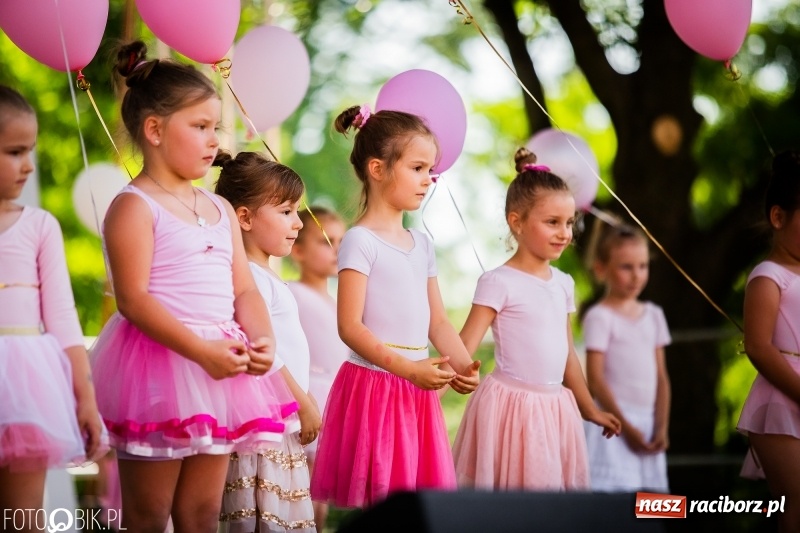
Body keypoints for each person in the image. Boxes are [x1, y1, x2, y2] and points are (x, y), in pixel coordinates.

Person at [90, 42, 298, 533]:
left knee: (202, 513)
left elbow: (243, 290)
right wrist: (201, 352)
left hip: (222, 368)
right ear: (155, 130)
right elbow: (134, 300)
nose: (212, 139)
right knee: (148, 514)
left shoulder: (220, 209)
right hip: (161, 367)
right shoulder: (135, 207)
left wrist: (263, 339)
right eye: (200, 126)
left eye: (215, 127)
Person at [309, 105, 481, 508]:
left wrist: (462, 365)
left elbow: (437, 321)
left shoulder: (421, 244)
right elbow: (350, 326)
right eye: (418, 168)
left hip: (416, 389)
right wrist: (407, 370)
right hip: (376, 385)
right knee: (382, 504)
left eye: (430, 170)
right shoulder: (360, 241)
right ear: (378, 168)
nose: (429, 179)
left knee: (414, 506)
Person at [452, 147, 621, 491]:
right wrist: (437, 385)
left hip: (555, 408)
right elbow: (462, 347)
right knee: (509, 502)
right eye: (552, 222)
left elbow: (567, 354)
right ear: (517, 222)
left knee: (550, 503)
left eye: (570, 223)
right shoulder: (498, 281)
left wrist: (589, 408)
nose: (564, 233)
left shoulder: (563, 283)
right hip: (509, 408)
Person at [0, 84, 105, 519]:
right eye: (14, 152)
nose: (28, 165)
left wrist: (85, 398)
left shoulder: (39, 226)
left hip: (27, 386)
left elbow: (62, 317)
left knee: (21, 519)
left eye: (31, 151)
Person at [215, 151, 320, 533]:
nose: (298, 223)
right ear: (244, 218)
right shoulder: (251, 281)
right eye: (287, 211)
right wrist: (302, 401)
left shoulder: (267, 278)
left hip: (280, 423)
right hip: (265, 425)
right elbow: (265, 353)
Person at [582, 222, 671, 492]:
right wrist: (627, 429)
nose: (636, 275)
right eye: (626, 267)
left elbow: (662, 378)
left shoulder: (654, 315)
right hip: (615, 425)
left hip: (650, 426)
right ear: (601, 268)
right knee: (615, 508)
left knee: (655, 508)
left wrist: (662, 428)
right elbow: (596, 379)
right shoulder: (599, 317)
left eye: (642, 266)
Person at [737, 150, 800, 531]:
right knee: (794, 498)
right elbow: (759, 347)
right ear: (779, 217)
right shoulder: (769, 274)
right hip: (781, 400)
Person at [288, 206, 349, 532]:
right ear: (297, 250)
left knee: (319, 502)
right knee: (300, 494)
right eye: (326, 241)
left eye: (341, 241)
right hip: (308, 398)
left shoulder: (341, 303)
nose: (337, 250)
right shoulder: (292, 293)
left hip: (335, 403)